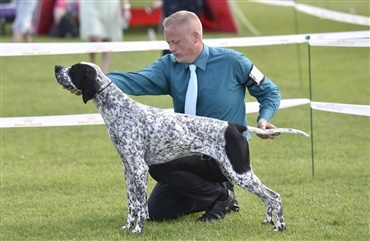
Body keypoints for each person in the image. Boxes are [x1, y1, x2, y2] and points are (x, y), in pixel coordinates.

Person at [69, 10, 280, 222]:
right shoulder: (168, 65)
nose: (170, 48)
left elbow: (269, 92)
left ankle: (221, 194)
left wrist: (264, 118)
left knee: (159, 165)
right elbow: (134, 80)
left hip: (223, 152)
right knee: (157, 212)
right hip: (184, 154)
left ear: (195, 37)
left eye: (176, 42)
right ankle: (213, 194)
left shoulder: (233, 61)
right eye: (168, 42)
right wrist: (95, 83)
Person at [78, 0, 131, 73]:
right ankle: (92, 64)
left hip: (110, 5)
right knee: (93, 35)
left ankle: (105, 72)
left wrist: (126, 6)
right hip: (91, 4)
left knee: (108, 37)